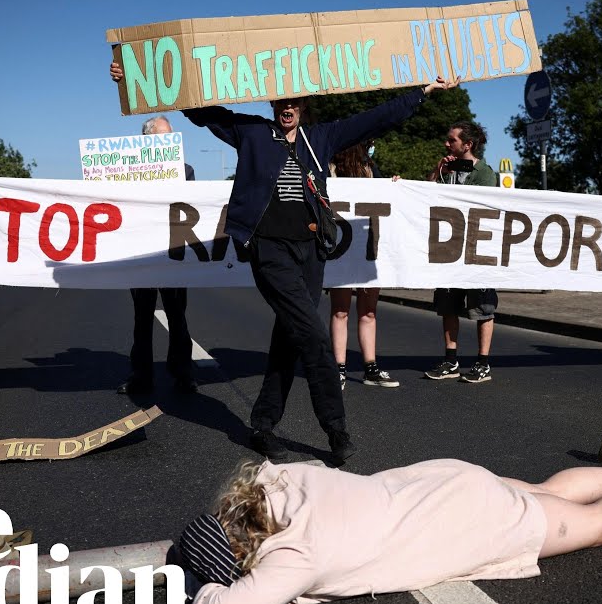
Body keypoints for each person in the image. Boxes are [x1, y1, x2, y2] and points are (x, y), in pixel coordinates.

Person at [111, 61, 457, 464]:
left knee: (290, 336)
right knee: (312, 335)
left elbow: (375, 120)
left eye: (293, 101)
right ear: (272, 103)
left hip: (310, 251)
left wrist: (423, 92)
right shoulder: (253, 132)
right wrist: (140, 79)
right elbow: (202, 112)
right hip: (268, 249)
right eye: (279, 101)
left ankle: (262, 425)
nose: (286, 107)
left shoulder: (320, 137)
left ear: (304, 104)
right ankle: (336, 429)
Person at [170, 456, 602, 604]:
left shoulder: (296, 558)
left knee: (594, 526)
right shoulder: (278, 478)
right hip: (443, 480)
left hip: (469, 521)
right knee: (546, 491)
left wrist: (206, 586)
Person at [118, 115, 198, 397]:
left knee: (177, 316)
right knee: (142, 317)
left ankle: (183, 373)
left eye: (171, 137)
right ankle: (141, 375)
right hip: (141, 255)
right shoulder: (127, 172)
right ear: (146, 142)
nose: (169, 143)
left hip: (174, 254)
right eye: (162, 138)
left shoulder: (186, 171)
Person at [423, 121, 499, 384]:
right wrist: (438, 170)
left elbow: (483, 208)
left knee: (482, 306)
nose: (447, 143)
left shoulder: (485, 173)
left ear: (467, 145)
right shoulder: (448, 168)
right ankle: (451, 359)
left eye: (452, 140)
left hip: (476, 251)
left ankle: (482, 363)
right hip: (450, 248)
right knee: (448, 304)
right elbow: (427, 193)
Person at [327, 142, 397, 390]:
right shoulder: (330, 170)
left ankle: (371, 367)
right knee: (340, 310)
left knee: (369, 312)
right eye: (369, 144)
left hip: (369, 248)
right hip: (342, 251)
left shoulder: (370, 169)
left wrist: (394, 185)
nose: (372, 149)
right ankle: (339, 368)